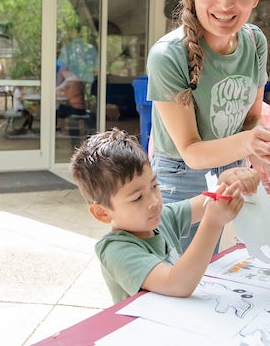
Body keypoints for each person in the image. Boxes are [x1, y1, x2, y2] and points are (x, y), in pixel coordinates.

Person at [146, 0, 270, 251]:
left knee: (222, 271)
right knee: (182, 280)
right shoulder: (168, 55)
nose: (225, 4)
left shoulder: (254, 42)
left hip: (232, 168)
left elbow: (252, 117)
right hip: (180, 179)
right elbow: (192, 152)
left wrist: (261, 148)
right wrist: (248, 143)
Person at [69, 128, 260, 304]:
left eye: (154, 186)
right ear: (102, 212)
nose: (154, 201)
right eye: (137, 198)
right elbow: (176, 284)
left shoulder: (161, 220)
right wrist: (213, 222)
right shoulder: (115, 250)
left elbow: (205, 202)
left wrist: (226, 182)